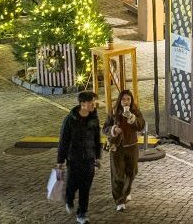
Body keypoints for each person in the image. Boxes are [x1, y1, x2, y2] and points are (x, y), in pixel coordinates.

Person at [56, 91, 103, 224]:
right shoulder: (70, 120)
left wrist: (97, 157)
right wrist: (60, 160)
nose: (94, 104)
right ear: (82, 103)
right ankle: (69, 198)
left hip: (89, 159)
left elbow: (97, 139)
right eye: (91, 102)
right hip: (74, 159)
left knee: (85, 187)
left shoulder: (94, 119)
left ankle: (82, 213)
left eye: (94, 101)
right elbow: (64, 141)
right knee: (72, 184)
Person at [103, 88, 145, 211]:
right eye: (123, 99)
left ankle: (126, 192)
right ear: (119, 100)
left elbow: (141, 126)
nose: (126, 102)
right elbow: (105, 128)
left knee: (132, 172)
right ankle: (119, 201)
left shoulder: (135, 112)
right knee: (118, 174)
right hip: (117, 147)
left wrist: (132, 118)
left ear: (131, 101)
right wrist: (113, 130)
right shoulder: (114, 112)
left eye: (128, 99)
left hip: (132, 146)